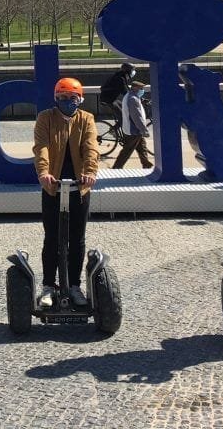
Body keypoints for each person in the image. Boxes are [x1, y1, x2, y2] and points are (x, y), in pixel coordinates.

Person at [32, 77, 99, 308]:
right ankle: (49, 286)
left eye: (72, 98)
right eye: (62, 98)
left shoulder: (86, 119)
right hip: (53, 186)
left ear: (80, 99)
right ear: (55, 98)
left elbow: (91, 148)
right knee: (52, 237)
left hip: (79, 187)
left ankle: (74, 285)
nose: (67, 102)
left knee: (77, 238)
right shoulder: (45, 118)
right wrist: (43, 173)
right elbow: (41, 147)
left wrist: (90, 172)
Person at [114, 80, 152, 168]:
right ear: (135, 88)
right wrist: (144, 130)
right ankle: (117, 167)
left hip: (133, 129)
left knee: (142, 147)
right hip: (134, 130)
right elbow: (137, 117)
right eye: (141, 88)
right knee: (127, 150)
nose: (142, 90)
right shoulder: (133, 99)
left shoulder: (130, 96)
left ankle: (146, 164)